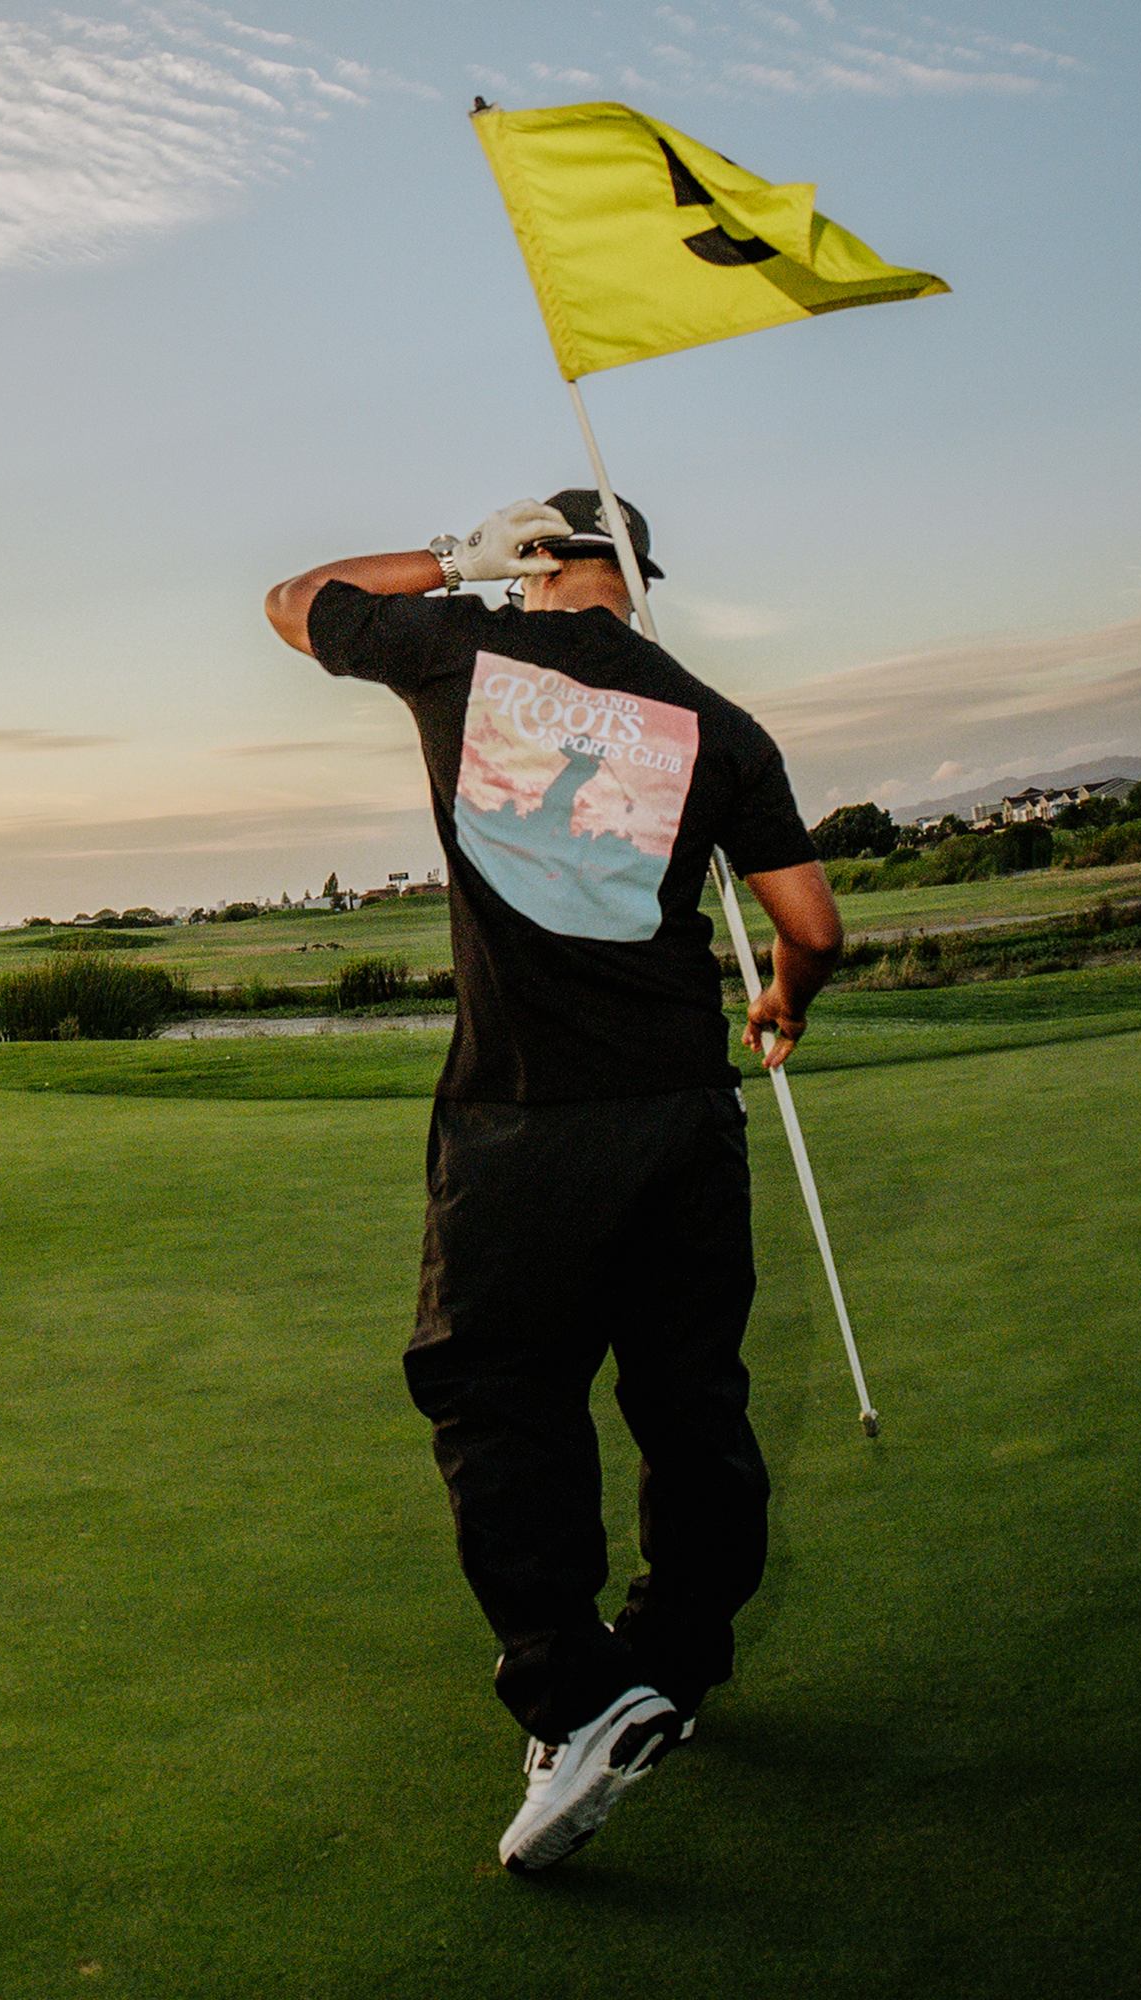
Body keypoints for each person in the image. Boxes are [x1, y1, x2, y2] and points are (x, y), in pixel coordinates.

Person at [264, 491, 843, 1871]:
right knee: (690, 1400)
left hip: (525, 1121)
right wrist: (785, 1008)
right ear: (641, 577)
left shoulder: (463, 647)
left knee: (498, 1397)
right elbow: (810, 925)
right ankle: (670, 1668)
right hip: (682, 1115)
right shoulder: (722, 721)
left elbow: (294, 598)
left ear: (542, 554)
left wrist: (461, 557)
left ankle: (577, 1696)